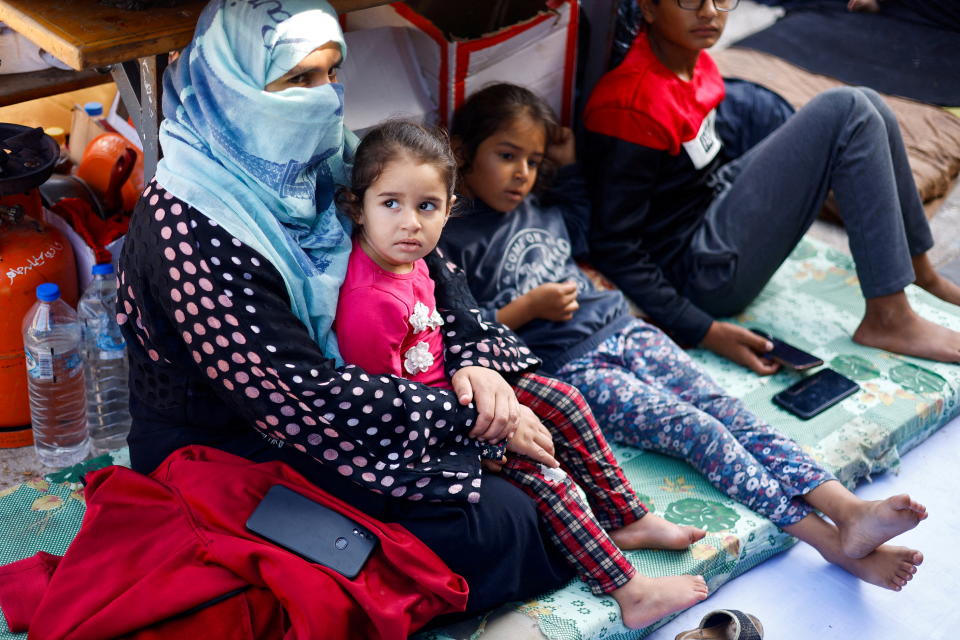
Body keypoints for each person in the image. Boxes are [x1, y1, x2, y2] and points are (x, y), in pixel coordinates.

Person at [118, 0, 581, 622]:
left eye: (332, 73)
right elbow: (296, 394)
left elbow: (438, 275)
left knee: (552, 431)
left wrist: (478, 367)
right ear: (233, 84)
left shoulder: (331, 158)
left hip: (373, 393)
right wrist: (465, 417)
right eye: (298, 79)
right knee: (495, 523)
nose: (325, 98)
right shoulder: (189, 222)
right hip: (237, 443)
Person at [439, 82, 927, 591]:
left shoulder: (545, 207)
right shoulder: (453, 237)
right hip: (574, 366)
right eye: (506, 155)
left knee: (729, 410)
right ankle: (829, 543)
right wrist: (527, 308)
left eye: (534, 160)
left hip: (626, 328)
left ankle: (846, 508)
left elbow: (590, 209)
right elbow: (466, 333)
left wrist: (568, 153)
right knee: (700, 430)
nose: (522, 173)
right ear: (462, 151)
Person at [333, 119, 710, 629]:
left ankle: (627, 516)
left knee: (565, 400)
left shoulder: (414, 261)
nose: (410, 224)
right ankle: (629, 588)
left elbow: (446, 334)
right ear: (359, 207)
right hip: (423, 436)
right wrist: (489, 438)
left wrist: (487, 384)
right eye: (390, 204)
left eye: (427, 207)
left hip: (456, 394)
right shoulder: (369, 301)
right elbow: (389, 410)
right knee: (546, 479)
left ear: (449, 209)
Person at [581, 0, 960, 375]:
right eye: (689, 0)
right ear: (647, 8)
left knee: (869, 103)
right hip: (701, 272)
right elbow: (615, 246)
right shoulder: (632, 107)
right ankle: (888, 317)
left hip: (711, 204)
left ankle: (920, 273)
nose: (710, 12)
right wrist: (706, 331)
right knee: (848, 111)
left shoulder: (693, 62)